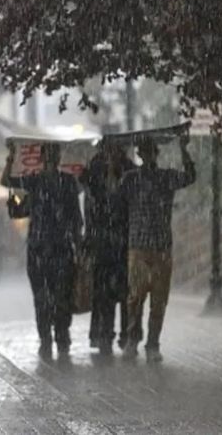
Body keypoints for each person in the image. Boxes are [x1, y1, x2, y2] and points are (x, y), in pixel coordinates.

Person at [1, 143, 82, 359]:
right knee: (42, 298)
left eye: (55, 154)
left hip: (61, 249)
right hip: (39, 250)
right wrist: (10, 158)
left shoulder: (67, 182)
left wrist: (79, 245)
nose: (52, 158)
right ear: (44, 157)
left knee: (62, 296)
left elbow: (75, 217)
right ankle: (46, 338)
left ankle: (61, 336)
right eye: (49, 155)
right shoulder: (35, 182)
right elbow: (7, 183)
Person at [121, 135, 196, 363]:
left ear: (155, 153)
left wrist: (184, 150)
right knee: (135, 297)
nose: (148, 156)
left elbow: (190, 176)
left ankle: (153, 343)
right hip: (139, 246)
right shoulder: (130, 179)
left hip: (161, 246)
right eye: (144, 151)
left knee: (158, 300)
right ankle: (133, 340)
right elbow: (115, 198)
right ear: (140, 154)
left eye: (151, 151)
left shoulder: (166, 177)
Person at [80, 140, 137, 355]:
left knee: (124, 291)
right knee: (103, 291)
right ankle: (104, 334)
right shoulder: (95, 169)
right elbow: (90, 201)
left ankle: (125, 334)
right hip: (102, 240)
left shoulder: (129, 170)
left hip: (122, 239)